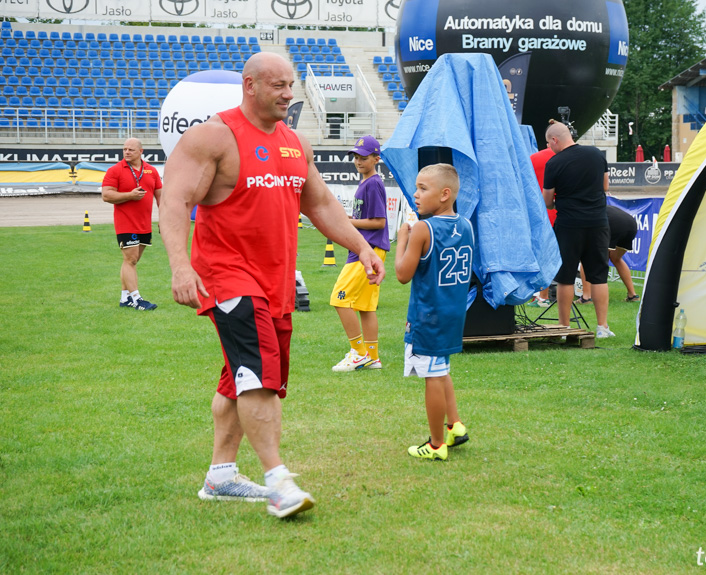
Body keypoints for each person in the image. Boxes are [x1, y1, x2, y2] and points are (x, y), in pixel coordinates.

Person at [159, 52, 386, 519]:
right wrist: (181, 267)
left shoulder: (293, 142)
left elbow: (319, 204)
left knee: (240, 378)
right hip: (227, 277)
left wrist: (361, 247)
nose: (288, 94)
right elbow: (177, 201)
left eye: (291, 85)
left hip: (276, 281)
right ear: (250, 86)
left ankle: (221, 476)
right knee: (259, 374)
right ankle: (278, 481)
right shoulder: (213, 137)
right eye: (278, 85)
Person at [395, 164, 475, 461]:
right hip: (454, 311)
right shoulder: (466, 225)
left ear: (444, 194)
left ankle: (437, 443)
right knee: (441, 370)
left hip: (428, 314)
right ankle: (454, 425)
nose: (415, 194)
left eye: (422, 189)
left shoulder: (422, 229)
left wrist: (403, 237)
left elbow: (403, 274)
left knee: (432, 376)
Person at [541, 122, 614, 338]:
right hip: (598, 222)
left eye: (548, 143)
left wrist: (556, 204)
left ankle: (564, 328)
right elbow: (605, 187)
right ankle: (602, 327)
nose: (549, 147)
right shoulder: (596, 154)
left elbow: (547, 200)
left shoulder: (554, 163)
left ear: (555, 140)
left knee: (565, 277)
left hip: (568, 224)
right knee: (599, 276)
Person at [330, 135, 390, 372]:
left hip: (368, 250)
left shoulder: (373, 183)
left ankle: (359, 353)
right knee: (366, 307)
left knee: (339, 299)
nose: (358, 161)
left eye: (364, 157)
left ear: (376, 159)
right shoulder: (367, 183)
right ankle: (372, 357)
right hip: (369, 248)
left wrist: (347, 223)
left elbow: (379, 222)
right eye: (355, 157)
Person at [101, 137, 163, 311]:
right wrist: (129, 195)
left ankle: (125, 297)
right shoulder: (115, 170)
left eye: (131, 149)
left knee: (131, 261)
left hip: (144, 223)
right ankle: (136, 299)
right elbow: (106, 195)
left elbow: (160, 196)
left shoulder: (151, 171)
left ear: (141, 152)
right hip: (125, 223)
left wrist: (164, 218)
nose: (127, 152)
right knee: (131, 259)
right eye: (125, 149)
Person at [579, 204, 640, 304]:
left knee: (586, 259)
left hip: (614, 225)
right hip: (631, 224)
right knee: (616, 258)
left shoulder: (583, 213)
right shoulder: (596, 206)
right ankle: (632, 295)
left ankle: (586, 297)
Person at [527, 144, 556, 308]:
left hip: (541, 211)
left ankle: (542, 296)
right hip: (564, 211)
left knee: (542, 254)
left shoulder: (535, 158)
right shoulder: (566, 157)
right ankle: (587, 295)